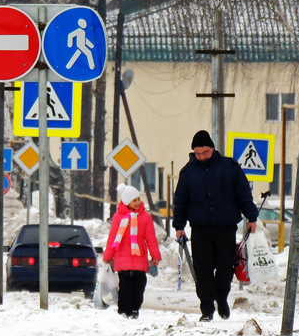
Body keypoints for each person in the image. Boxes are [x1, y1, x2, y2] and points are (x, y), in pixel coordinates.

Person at [172, 130, 259, 322]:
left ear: (212, 148)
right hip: (201, 229)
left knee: (225, 269)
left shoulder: (229, 168)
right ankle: (207, 308)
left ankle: (222, 298)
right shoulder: (188, 173)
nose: (202, 157)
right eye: (198, 153)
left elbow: (243, 194)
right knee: (202, 271)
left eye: (205, 152)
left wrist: (251, 217)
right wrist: (179, 226)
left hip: (225, 228)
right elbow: (181, 201)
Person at [102, 184, 161, 319]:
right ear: (127, 202)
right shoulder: (118, 217)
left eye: (138, 199)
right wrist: (108, 255)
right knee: (125, 288)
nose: (138, 202)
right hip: (123, 260)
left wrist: (155, 255)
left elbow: (151, 238)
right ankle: (123, 310)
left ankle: (135, 309)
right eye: (134, 200)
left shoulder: (145, 217)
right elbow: (113, 238)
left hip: (140, 259)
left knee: (139, 288)